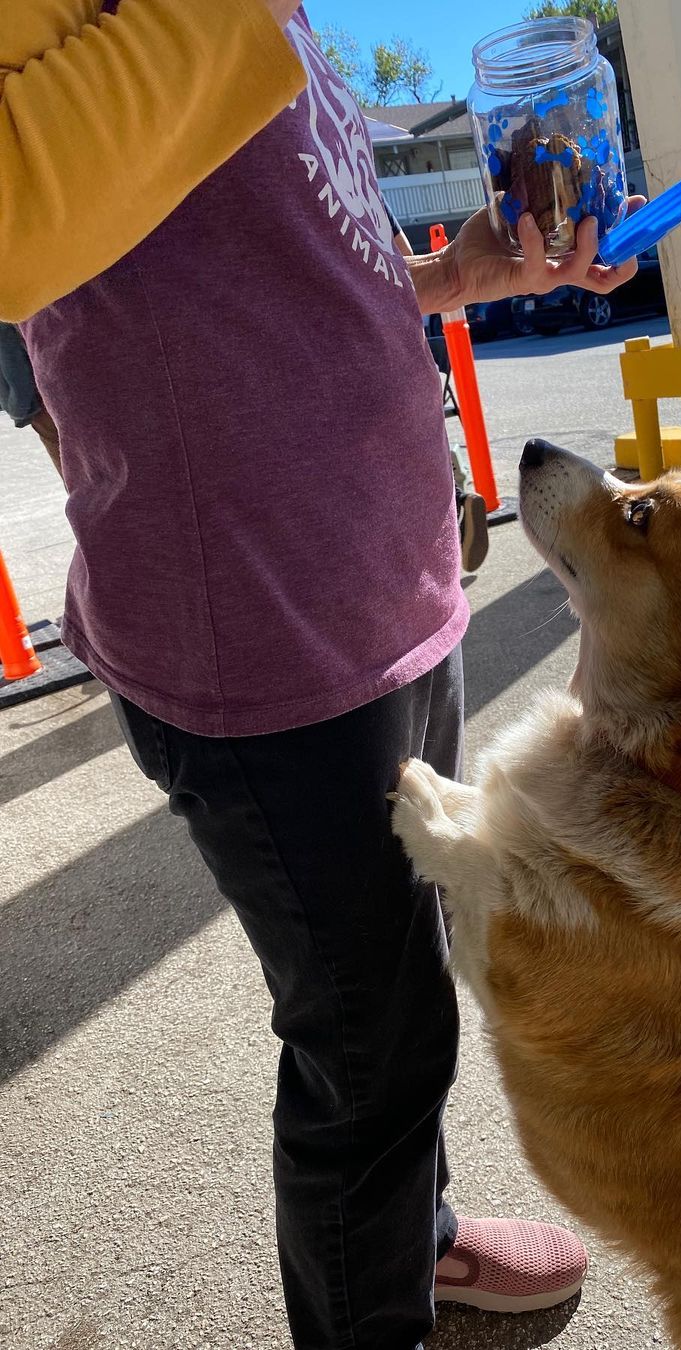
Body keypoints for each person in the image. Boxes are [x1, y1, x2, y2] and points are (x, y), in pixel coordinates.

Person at [0, 4, 643, 1348]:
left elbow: (275, 268)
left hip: (376, 593)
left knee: (404, 996)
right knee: (370, 1051)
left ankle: (419, 1242)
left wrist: (447, 274)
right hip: (260, 633)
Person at [383, 204, 490, 574]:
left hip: (358, 357)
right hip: (402, 349)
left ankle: (449, 513)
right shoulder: (368, 193)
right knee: (421, 442)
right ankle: (456, 500)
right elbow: (407, 261)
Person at [0, 322, 63, 480]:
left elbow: (11, 357)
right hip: (47, 391)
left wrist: (19, 408)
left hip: (42, 396)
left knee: (82, 479)